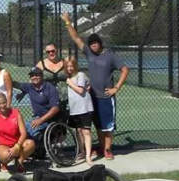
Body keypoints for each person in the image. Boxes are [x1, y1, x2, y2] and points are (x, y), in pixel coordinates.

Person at [63, 12, 129, 160]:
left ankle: (107, 149)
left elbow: (125, 70)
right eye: (91, 43)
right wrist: (67, 22)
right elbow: (76, 38)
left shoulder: (110, 56)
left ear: (100, 43)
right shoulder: (89, 53)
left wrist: (116, 88)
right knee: (98, 125)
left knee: (108, 126)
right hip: (91, 97)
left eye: (95, 43)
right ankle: (101, 147)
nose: (93, 45)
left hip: (106, 97)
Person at [0, 93, 36, 174]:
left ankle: (19, 162)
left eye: (4, 102)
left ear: (7, 101)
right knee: (6, 155)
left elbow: (23, 133)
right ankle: (4, 163)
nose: (2, 105)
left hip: (16, 144)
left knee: (31, 144)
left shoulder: (16, 113)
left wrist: (17, 146)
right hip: (2, 145)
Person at [63, 56, 95, 166]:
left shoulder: (80, 75)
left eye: (71, 66)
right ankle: (81, 152)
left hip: (85, 108)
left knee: (86, 132)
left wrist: (69, 83)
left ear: (75, 66)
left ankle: (88, 156)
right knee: (78, 132)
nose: (69, 68)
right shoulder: (68, 77)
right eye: (67, 66)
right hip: (74, 110)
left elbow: (81, 90)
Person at [15, 68, 61, 141]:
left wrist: (41, 120)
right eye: (32, 76)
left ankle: (36, 146)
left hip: (49, 119)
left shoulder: (50, 88)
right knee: (20, 128)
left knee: (30, 129)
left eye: (36, 75)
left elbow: (55, 108)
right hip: (36, 117)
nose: (34, 77)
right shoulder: (30, 87)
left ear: (42, 76)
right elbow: (16, 84)